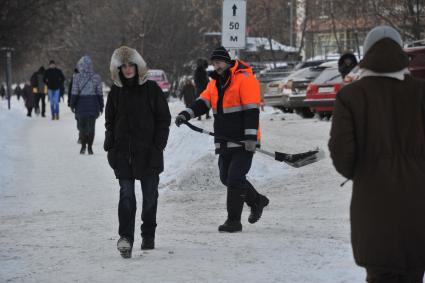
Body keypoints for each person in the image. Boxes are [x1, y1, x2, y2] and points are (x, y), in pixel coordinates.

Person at [329, 26, 425, 283]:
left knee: (379, 273)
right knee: (414, 272)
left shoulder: (350, 95)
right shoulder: (421, 92)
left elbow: (341, 153)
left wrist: (364, 172)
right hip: (419, 203)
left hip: (372, 203)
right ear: (401, 51)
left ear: (367, 52)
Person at [175, 46, 269, 233]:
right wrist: (186, 114)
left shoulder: (244, 79)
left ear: (227, 62)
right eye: (214, 63)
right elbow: (202, 102)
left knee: (235, 177)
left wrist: (251, 137)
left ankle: (233, 221)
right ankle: (257, 200)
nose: (216, 66)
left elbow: (251, 111)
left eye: (218, 62)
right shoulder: (214, 83)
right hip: (224, 138)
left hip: (244, 140)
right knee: (226, 177)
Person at [104, 46, 171, 258]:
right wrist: (110, 146)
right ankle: (126, 239)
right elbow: (110, 121)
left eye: (130, 64)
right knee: (126, 196)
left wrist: (157, 147)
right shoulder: (115, 92)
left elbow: (163, 120)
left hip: (149, 153)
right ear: (118, 69)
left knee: (150, 197)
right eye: (123, 65)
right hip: (123, 154)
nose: (127, 69)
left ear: (137, 65)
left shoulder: (152, 89)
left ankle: (148, 234)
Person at [70, 56, 103, 155]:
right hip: (93, 105)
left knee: (82, 127)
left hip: (81, 106)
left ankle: (83, 146)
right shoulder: (96, 77)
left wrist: (72, 104)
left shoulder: (76, 77)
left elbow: (74, 92)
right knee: (91, 127)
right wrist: (101, 105)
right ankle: (90, 147)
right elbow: (99, 93)